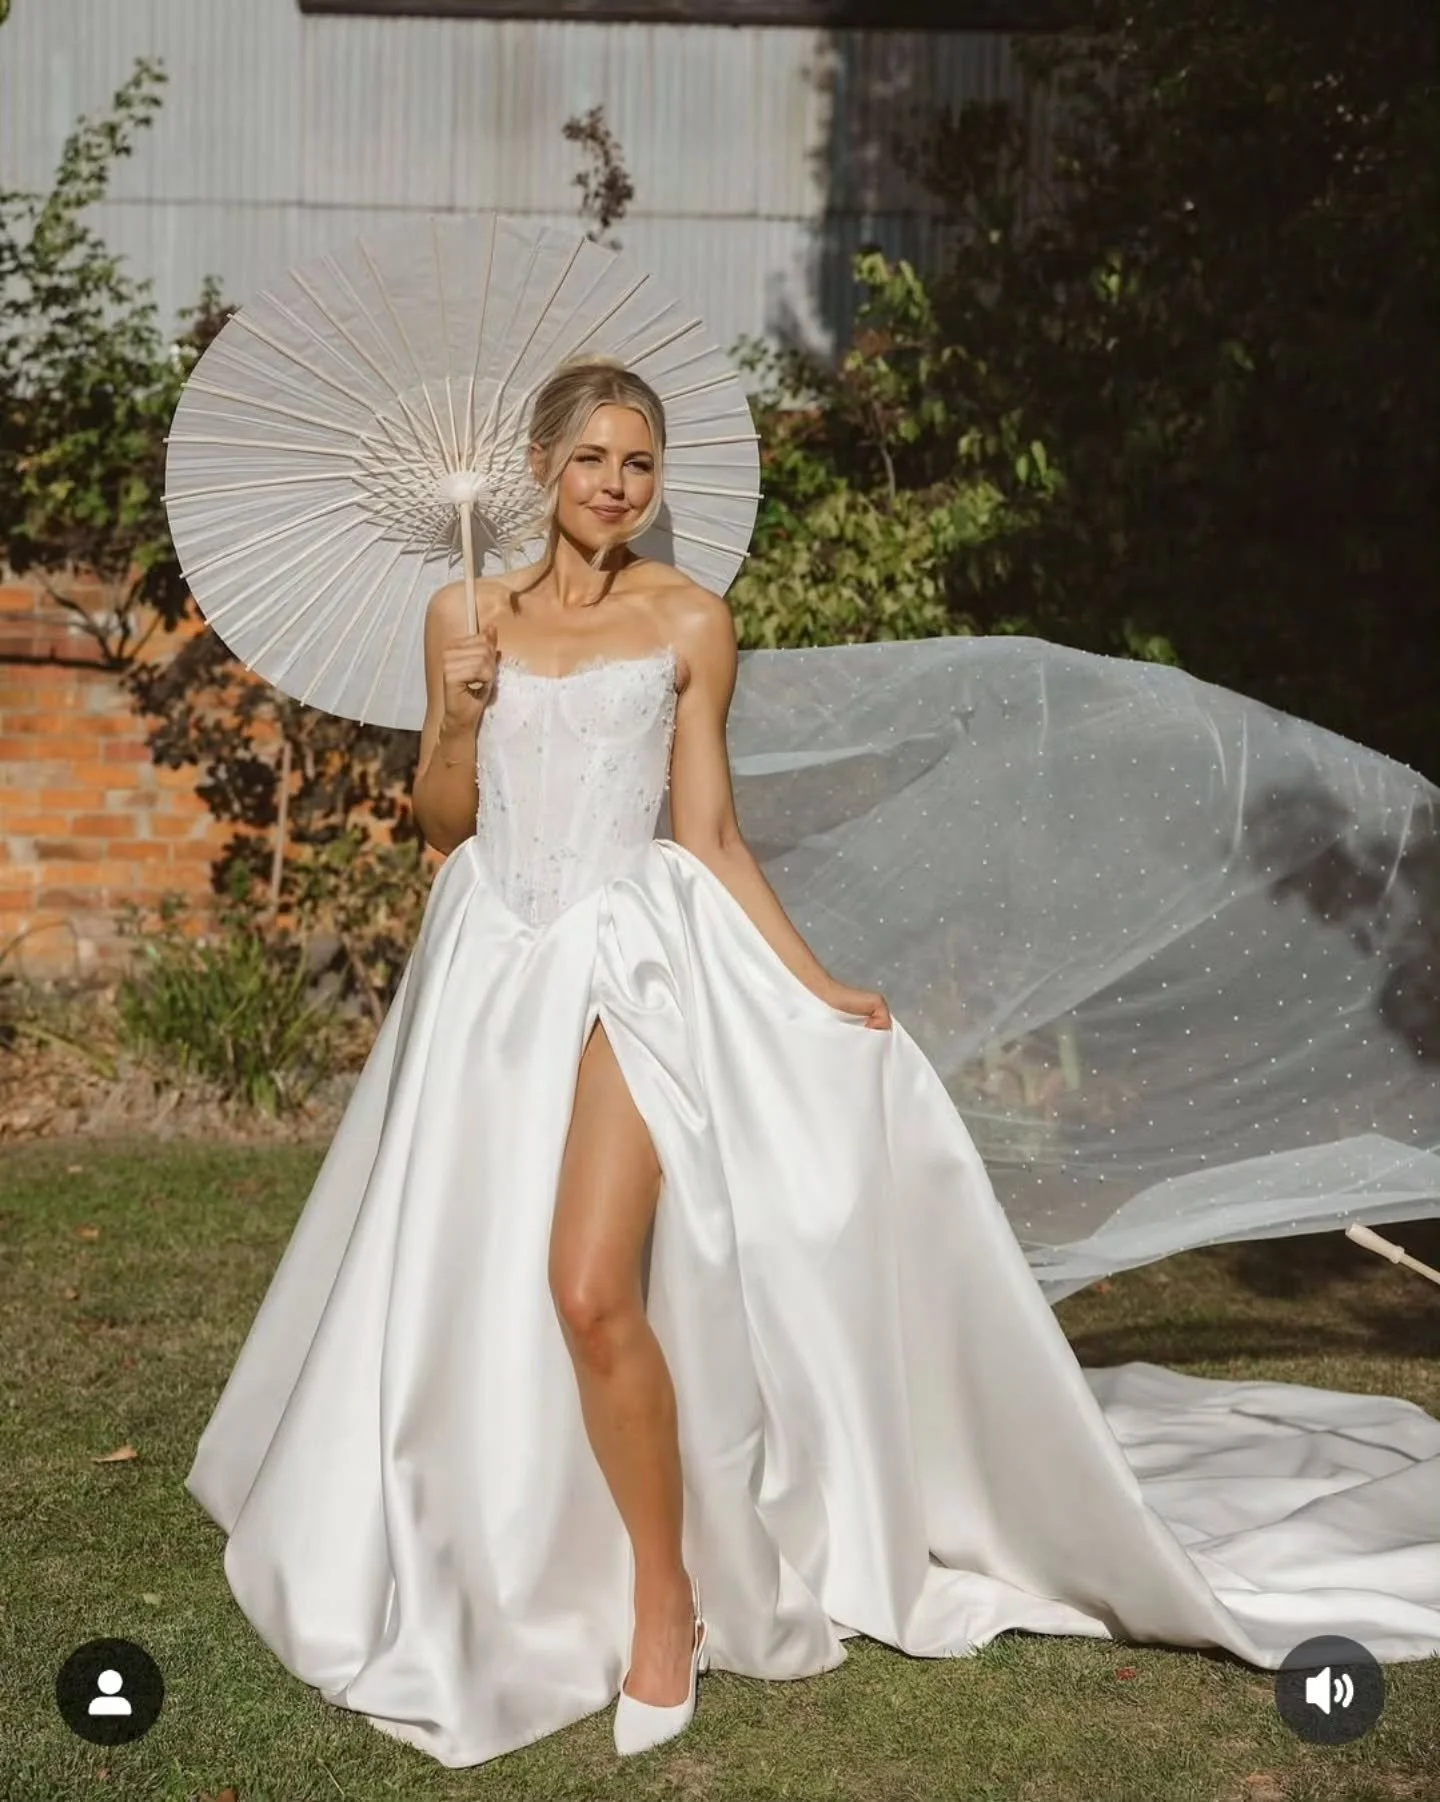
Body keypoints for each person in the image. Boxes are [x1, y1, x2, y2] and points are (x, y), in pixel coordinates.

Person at [185, 356, 1440, 1773]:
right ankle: (503, 1540)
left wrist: (818, 983)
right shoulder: (461, 615)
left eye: (639, 464)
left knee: (590, 1283)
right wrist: (462, 714)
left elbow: (710, 833)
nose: (616, 483)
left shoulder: (691, 621)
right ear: (541, 468)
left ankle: (667, 1603)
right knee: (467, 1274)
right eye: (594, 456)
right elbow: (438, 823)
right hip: (487, 967)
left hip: (632, 959)